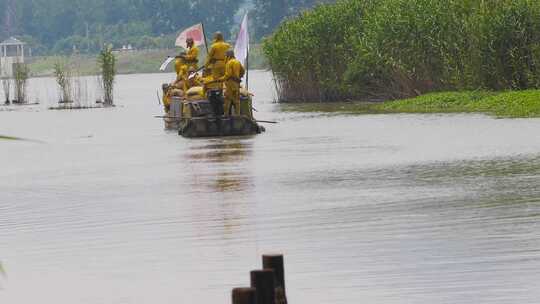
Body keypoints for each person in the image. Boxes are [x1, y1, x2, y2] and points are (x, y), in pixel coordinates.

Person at [219, 50, 245, 117]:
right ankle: (237, 115)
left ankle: (226, 114)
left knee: (227, 99)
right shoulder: (237, 62)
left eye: (226, 56)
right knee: (236, 100)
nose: (225, 57)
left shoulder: (229, 63)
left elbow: (228, 75)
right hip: (236, 83)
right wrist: (239, 76)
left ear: (229, 56)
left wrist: (220, 79)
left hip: (230, 84)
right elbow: (243, 71)